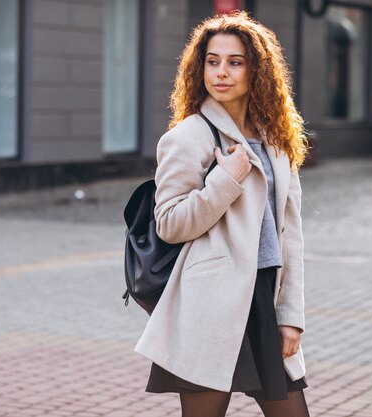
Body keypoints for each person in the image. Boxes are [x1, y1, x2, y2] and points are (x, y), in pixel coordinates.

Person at [134, 11, 310, 417]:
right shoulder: (187, 136)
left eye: (235, 62)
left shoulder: (276, 142)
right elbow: (171, 224)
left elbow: (291, 235)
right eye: (212, 61)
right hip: (210, 304)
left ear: (257, 70)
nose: (221, 72)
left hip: (263, 297)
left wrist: (292, 317)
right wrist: (224, 181)